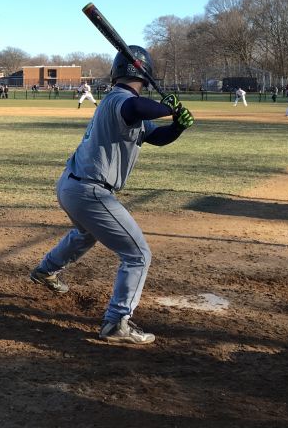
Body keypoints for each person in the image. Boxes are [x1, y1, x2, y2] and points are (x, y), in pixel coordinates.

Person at [28, 45, 195, 345]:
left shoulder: (123, 103)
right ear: (146, 74)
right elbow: (136, 108)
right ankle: (117, 323)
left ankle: (46, 270)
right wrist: (167, 108)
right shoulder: (121, 100)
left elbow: (155, 136)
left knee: (85, 234)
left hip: (72, 186)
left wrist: (177, 126)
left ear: (117, 71)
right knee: (138, 255)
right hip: (90, 191)